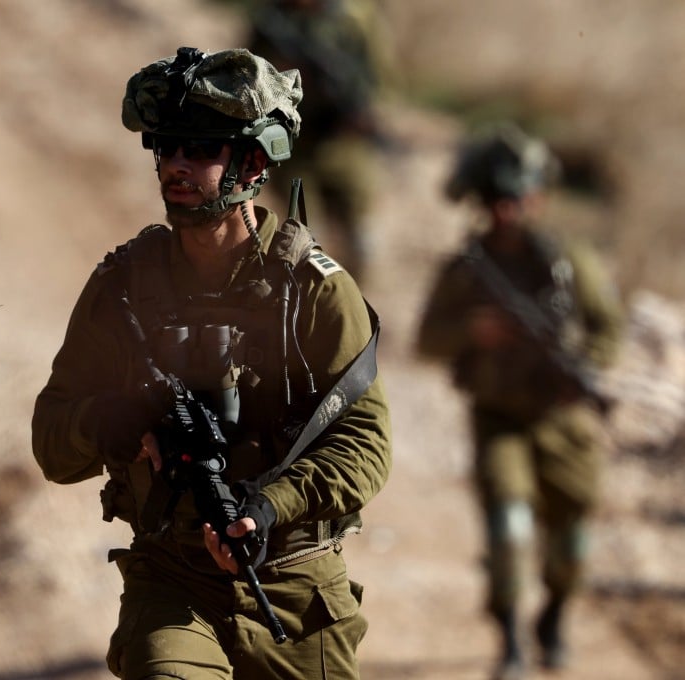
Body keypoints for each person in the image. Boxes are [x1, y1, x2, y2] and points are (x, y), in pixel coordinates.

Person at [31, 46, 391, 679]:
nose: (175, 165)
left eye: (199, 149)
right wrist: (107, 420)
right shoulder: (122, 286)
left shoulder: (313, 290)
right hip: (171, 583)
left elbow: (364, 446)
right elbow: (52, 442)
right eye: (165, 149)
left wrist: (270, 504)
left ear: (252, 162)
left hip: (295, 592)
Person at [414, 123, 624, 680]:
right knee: (508, 529)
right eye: (497, 202)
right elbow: (425, 339)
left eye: (517, 199)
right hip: (498, 417)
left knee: (571, 543)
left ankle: (553, 614)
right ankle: (509, 637)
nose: (508, 212)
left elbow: (607, 328)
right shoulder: (468, 268)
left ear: (538, 197)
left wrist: (584, 371)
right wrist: (471, 330)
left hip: (564, 420)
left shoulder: (568, 261)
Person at [238, 0, 398, 283]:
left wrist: (362, 109)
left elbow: (374, 75)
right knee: (301, 233)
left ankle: (354, 301)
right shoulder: (271, 23)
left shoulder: (350, 21)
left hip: (343, 141)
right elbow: (247, 80)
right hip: (292, 143)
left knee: (360, 237)